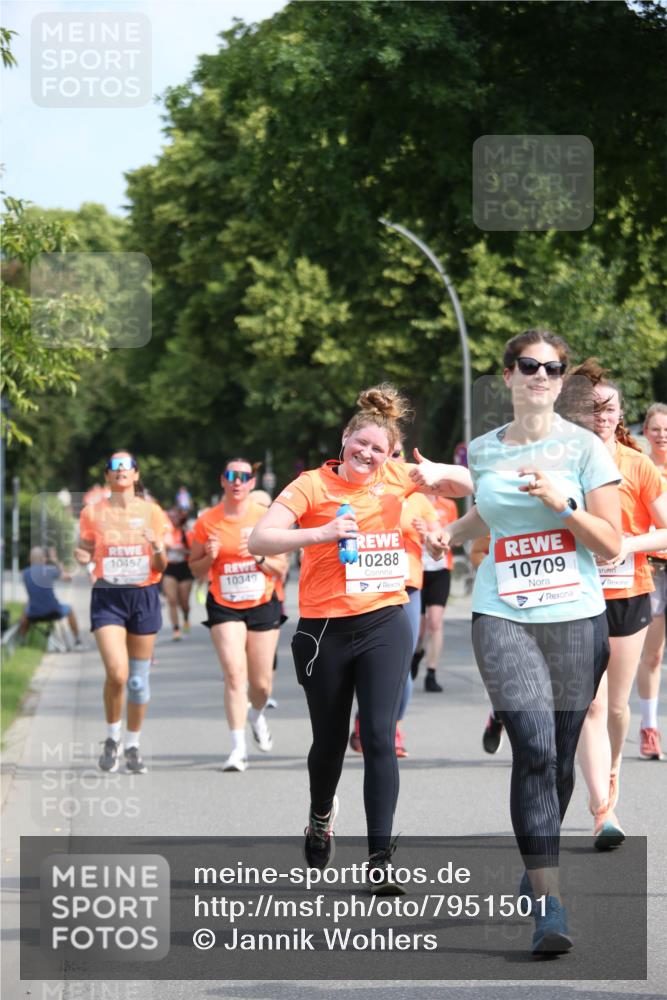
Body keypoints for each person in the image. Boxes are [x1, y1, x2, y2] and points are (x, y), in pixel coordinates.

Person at [424, 332, 622, 954]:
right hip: (501, 610)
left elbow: (611, 542)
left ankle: (535, 863)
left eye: (552, 367)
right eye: (528, 365)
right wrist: (449, 535)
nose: (540, 374)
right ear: (508, 375)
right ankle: (550, 904)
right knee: (533, 748)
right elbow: (489, 511)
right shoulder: (483, 451)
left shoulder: (586, 448)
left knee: (560, 759)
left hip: (575, 616)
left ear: (563, 380)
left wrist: (564, 504)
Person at [249, 385, 472, 892]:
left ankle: (379, 859)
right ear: (345, 438)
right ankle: (321, 816)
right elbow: (260, 538)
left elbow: (467, 483)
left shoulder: (398, 476)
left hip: (384, 619)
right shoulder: (310, 486)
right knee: (328, 743)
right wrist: (320, 534)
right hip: (323, 628)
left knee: (378, 735)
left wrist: (437, 473)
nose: (368, 455)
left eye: (379, 449)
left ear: (390, 455)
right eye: (361, 444)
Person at [570, 365, 667, 847]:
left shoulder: (637, 464)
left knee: (616, 707)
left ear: (620, 414)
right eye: (593, 408)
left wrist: (626, 545)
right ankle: (602, 810)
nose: (601, 415)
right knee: (590, 703)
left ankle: (611, 779)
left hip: (628, 592)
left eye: (609, 408)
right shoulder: (565, 461)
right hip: (575, 595)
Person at [189, 459, 287, 773]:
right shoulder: (207, 521)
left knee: (261, 684)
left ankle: (257, 714)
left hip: (262, 602)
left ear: (251, 482)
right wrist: (209, 557)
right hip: (224, 603)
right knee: (234, 674)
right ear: (222, 480)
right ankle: (237, 749)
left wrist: (259, 557)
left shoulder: (266, 518)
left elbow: (281, 567)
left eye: (244, 477)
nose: (237, 481)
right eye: (231, 475)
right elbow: (195, 569)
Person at [74, 451, 169, 774]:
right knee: (118, 673)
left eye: (126, 466)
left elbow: (162, 565)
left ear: (136, 475)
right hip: (108, 596)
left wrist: (156, 546)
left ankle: (132, 744)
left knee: (139, 683)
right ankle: (112, 738)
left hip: (143, 595)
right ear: (107, 476)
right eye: (114, 466)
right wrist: (82, 556)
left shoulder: (152, 512)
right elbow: (85, 549)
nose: (120, 471)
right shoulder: (92, 512)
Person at [348, 439, 440, 757]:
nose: (394, 460)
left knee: (403, 662)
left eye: (398, 454)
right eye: (388, 453)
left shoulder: (418, 498)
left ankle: (392, 724)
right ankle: (369, 720)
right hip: (367, 590)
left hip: (407, 588)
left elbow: (440, 546)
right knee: (368, 663)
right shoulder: (357, 491)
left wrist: (428, 535)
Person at [636, 403, 667, 760]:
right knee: (654, 654)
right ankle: (649, 727)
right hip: (654, 568)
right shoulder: (643, 468)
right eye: (655, 428)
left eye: (666, 429)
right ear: (646, 431)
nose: (661, 435)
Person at [414, 494, 458, 693]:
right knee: (419, 629)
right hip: (417, 570)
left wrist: (442, 534)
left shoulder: (448, 505)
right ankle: (416, 655)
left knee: (435, 622)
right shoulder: (413, 501)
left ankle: (431, 673)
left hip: (440, 570)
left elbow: (456, 537)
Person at [19, 546, 82, 646]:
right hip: (53, 611)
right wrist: (55, 560)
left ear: (29, 559)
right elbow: (67, 578)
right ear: (43, 559)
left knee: (25, 611)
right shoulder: (50, 570)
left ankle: (21, 641)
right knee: (70, 609)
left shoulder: (25, 574)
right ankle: (77, 640)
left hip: (33, 614)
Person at [162, 505, 194, 641]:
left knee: (184, 602)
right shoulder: (164, 533)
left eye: (176, 517)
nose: (173, 520)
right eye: (171, 517)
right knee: (172, 600)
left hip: (185, 568)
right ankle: (176, 629)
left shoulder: (187, 533)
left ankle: (186, 616)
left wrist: (182, 551)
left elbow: (194, 552)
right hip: (169, 568)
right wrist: (164, 548)